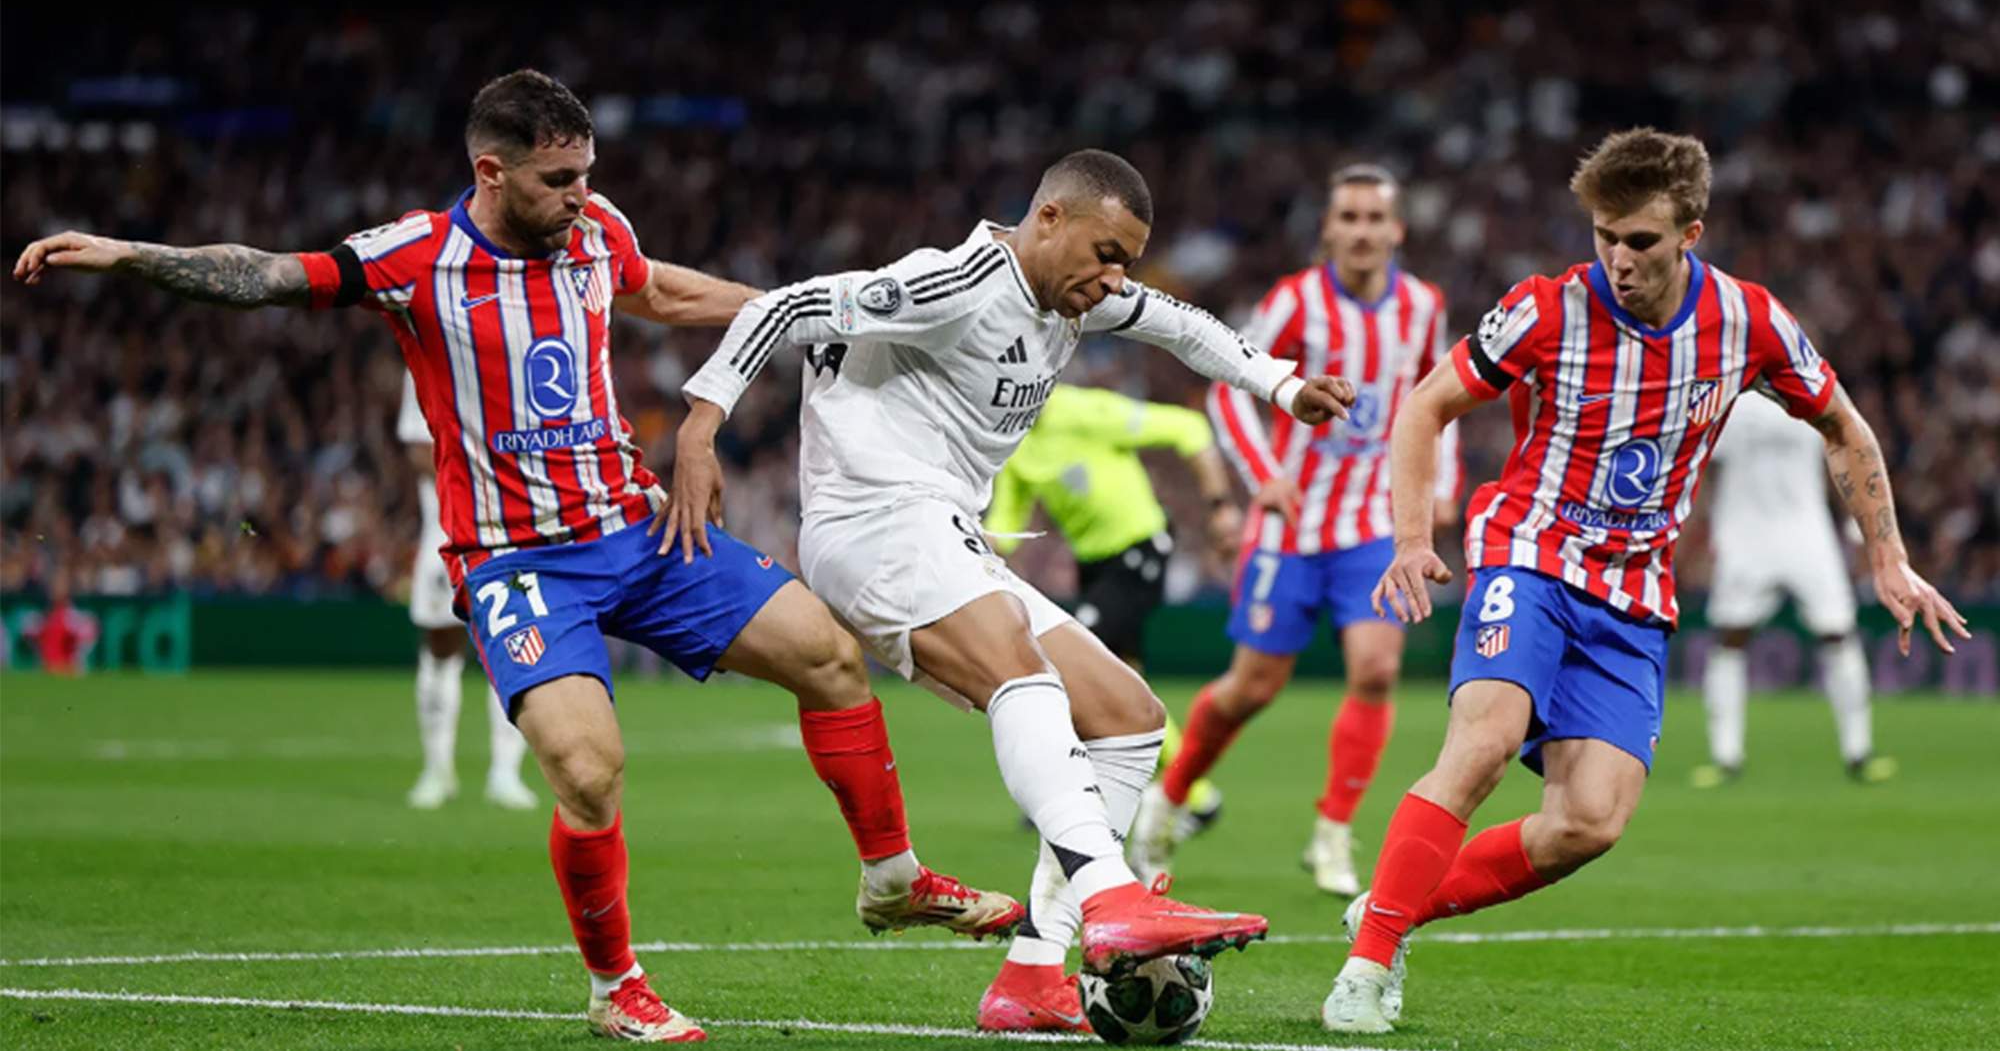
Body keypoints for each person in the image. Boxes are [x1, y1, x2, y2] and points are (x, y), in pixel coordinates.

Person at [13, 68, 1019, 1045]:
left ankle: (892, 879)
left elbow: (657, 290)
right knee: (588, 770)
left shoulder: (594, 229)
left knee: (828, 655)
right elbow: (276, 276)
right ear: (491, 172)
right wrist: (131, 254)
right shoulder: (414, 257)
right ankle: (615, 988)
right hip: (516, 562)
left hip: (638, 528)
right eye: (557, 181)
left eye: (585, 174)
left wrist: (792, 310)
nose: (580, 196)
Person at [665, 149, 1355, 1034]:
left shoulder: (1074, 296)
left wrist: (1283, 384)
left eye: (1128, 263)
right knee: (1019, 675)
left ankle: (1032, 973)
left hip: (941, 528)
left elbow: (1183, 326)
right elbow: (786, 305)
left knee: (1127, 715)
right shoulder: (953, 281)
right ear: (1049, 219)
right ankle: (1111, 896)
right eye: (1105, 252)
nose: (1114, 279)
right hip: (874, 519)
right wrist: (702, 420)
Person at [1323, 128, 1969, 1034]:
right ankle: (1365, 968)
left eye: (1641, 242)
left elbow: (1847, 427)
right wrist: (1407, 536)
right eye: (1604, 237)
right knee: (1484, 743)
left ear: (1690, 233)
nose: (1618, 261)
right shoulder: (1547, 310)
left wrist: (1888, 558)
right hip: (1530, 550)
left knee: (1590, 822)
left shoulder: (1748, 322)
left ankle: (1396, 908)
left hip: (1632, 591)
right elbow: (1427, 404)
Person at [1131, 164, 1461, 897]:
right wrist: (1262, 477)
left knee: (1376, 670)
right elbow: (1226, 384)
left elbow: (1436, 398)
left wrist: (1441, 485)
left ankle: (1333, 834)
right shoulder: (1294, 303)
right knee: (1251, 687)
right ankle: (1170, 797)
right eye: (1350, 217)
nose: (1363, 231)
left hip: (1375, 522)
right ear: (1329, 230)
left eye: (1376, 218)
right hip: (1292, 524)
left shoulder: (1422, 306)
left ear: (1397, 230)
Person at [984, 383, 1239, 842]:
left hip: (1139, 550)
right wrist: (977, 543)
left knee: (1072, 666)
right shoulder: (1015, 439)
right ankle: (1196, 795)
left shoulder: (1084, 410)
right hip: (1096, 568)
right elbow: (1008, 520)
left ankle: (1072, 792)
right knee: (1121, 683)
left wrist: (1218, 505)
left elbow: (1189, 428)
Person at [1693, 391, 1894, 786]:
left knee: (1837, 633)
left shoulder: (1810, 390)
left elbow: (1840, 454)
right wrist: (1709, 532)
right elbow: (1705, 466)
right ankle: (1726, 756)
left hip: (1806, 529)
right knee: (1730, 638)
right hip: (1744, 530)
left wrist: (1854, 530)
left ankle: (1858, 752)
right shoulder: (1729, 397)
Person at [396, 372, 539, 810]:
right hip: (447, 530)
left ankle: (505, 772)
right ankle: (437, 770)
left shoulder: (521, 342)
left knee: (517, 647)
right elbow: (418, 449)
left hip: (512, 531)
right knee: (441, 645)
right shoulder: (426, 341)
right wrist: (479, 465)